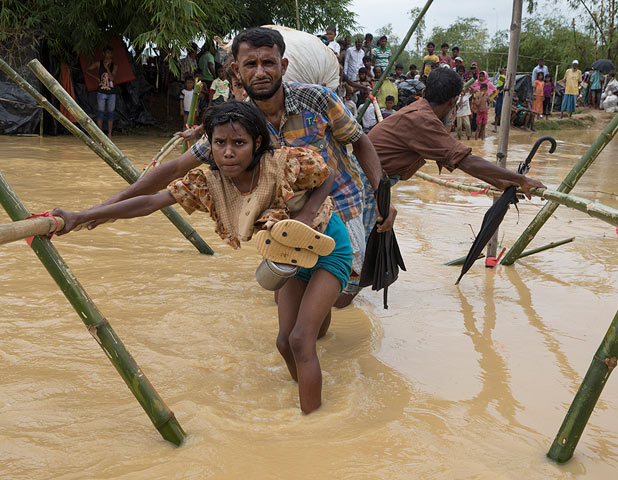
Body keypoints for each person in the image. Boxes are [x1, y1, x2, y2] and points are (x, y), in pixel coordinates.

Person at [52, 101, 352, 415]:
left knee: (302, 339)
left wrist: (305, 213)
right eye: (220, 143)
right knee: (284, 343)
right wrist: (82, 216)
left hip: (329, 248)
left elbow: (327, 174)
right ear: (210, 146)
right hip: (288, 256)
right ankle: (307, 390)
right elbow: (150, 202)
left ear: (257, 143)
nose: (229, 152)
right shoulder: (206, 185)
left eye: (239, 143)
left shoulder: (284, 163)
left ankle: (312, 424)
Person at [88, 27, 392, 309]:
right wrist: (110, 206)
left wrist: (383, 196)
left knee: (338, 301)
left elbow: (360, 142)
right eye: (250, 65)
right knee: (288, 303)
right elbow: (176, 169)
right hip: (289, 217)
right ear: (238, 71)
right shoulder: (237, 124)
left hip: (343, 203)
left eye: (268, 63)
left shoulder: (317, 98)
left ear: (282, 67)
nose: (260, 72)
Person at [365, 67, 545, 243]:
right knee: (357, 255)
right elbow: (466, 160)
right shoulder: (423, 120)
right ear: (453, 102)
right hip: (365, 183)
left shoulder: (419, 111)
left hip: (371, 180)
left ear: (426, 91)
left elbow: (456, 159)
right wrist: (521, 179)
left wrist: (499, 182)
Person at [88, 45, 118, 139]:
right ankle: (100, 133)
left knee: (110, 113)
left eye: (110, 53)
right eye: (107, 53)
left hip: (112, 93)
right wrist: (96, 78)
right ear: (103, 54)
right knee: (100, 112)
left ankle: (109, 134)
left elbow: (112, 78)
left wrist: (107, 68)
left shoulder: (114, 66)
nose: (109, 55)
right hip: (101, 91)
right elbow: (87, 70)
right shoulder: (98, 64)